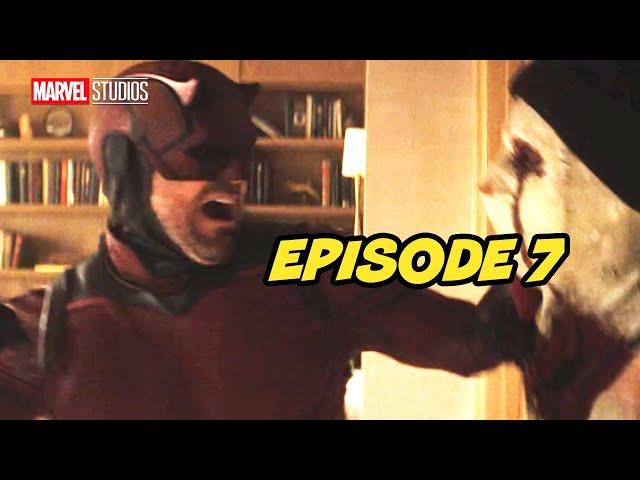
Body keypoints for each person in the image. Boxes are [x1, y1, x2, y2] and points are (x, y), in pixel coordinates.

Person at [0, 61, 532, 419]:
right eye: (205, 155)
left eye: (242, 156)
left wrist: (530, 275)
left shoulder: (313, 268)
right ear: (125, 169)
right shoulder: (48, 325)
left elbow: (475, 340)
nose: (235, 178)